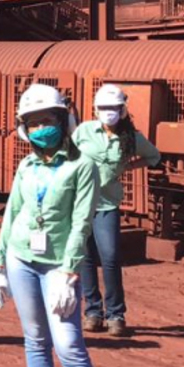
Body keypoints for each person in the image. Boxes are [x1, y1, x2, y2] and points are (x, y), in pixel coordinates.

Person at [0, 83, 106, 367]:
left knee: (69, 344)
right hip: (21, 258)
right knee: (35, 339)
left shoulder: (82, 166)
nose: (42, 127)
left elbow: (81, 223)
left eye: (48, 119)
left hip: (58, 265)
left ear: (63, 119)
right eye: (33, 122)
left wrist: (69, 272)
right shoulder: (26, 165)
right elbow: (13, 213)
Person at [72, 84, 159, 338]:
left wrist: (127, 167)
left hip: (107, 205)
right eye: (104, 108)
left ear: (123, 110)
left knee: (109, 257)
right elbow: (67, 157)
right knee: (85, 257)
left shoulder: (132, 138)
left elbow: (154, 156)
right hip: (79, 205)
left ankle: (116, 314)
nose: (109, 112)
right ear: (96, 109)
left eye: (114, 108)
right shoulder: (84, 131)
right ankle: (93, 312)